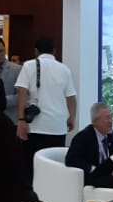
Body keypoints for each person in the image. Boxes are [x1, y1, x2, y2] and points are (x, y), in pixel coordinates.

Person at [15, 37, 77, 182]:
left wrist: (21, 119)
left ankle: (33, 193)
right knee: (54, 167)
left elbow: (22, 92)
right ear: (54, 51)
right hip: (57, 126)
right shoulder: (64, 69)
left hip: (35, 127)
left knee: (32, 167)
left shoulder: (28, 66)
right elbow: (71, 98)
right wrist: (71, 118)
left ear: (36, 51)